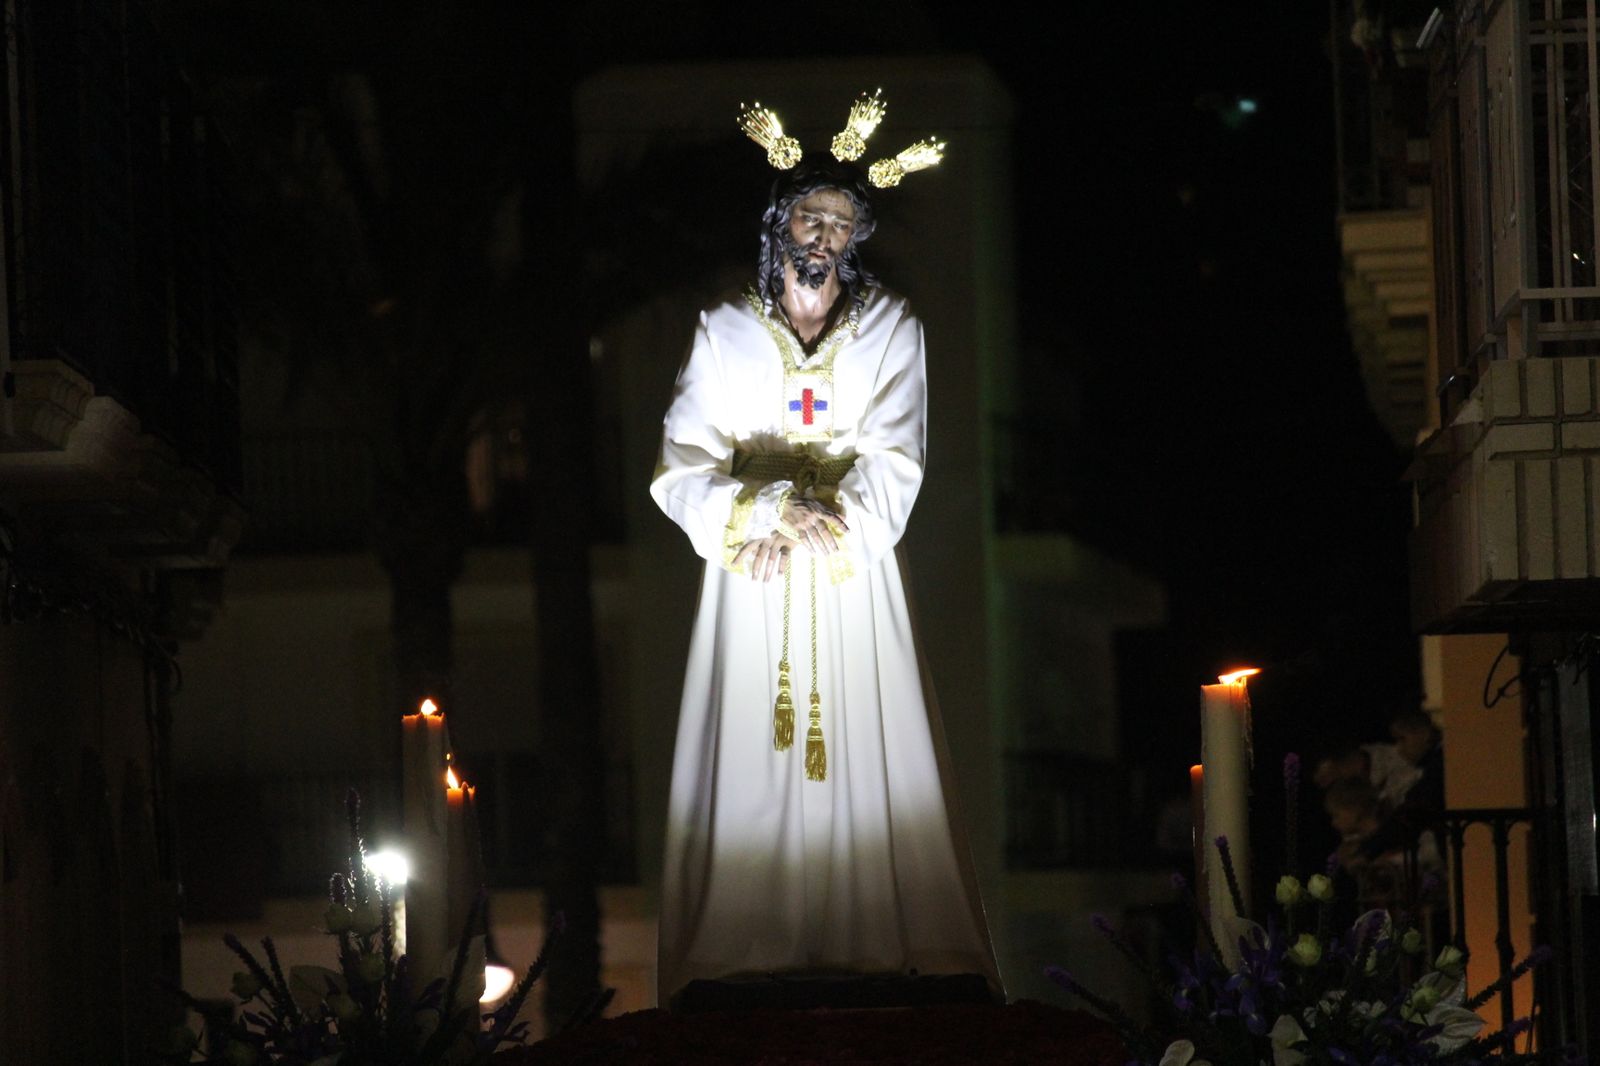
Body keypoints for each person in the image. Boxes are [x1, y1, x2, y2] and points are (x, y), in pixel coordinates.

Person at [649, 94, 1001, 1006]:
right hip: (755, 570)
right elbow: (682, 463)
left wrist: (823, 524)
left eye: (842, 221)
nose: (825, 232)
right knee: (752, 757)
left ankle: (875, 940)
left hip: (849, 572)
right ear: (780, 223)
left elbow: (897, 454)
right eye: (811, 214)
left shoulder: (892, 329)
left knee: (864, 740)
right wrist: (760, 510)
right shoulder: (723, 330)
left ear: (857, 237)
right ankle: (744, 947)